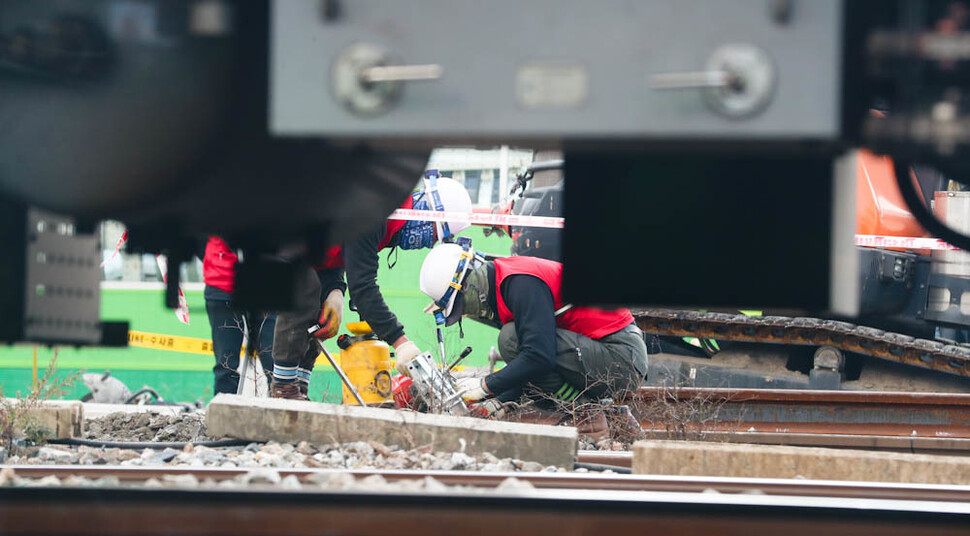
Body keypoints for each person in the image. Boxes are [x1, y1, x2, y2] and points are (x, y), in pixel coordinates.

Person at [415, 239, 648, 438]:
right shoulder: (506, 282)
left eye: (461, 304)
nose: (468, 312)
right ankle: (611, 416)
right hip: (606, 354)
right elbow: (531, 359)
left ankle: (588, 414)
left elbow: (538, 356)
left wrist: (486, 386)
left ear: (468, 286)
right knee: (529, 371)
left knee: (510, 340)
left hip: (621, 358)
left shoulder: (521, 283)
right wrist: (500, 401)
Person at [270, 172, 474, 400]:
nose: (431, 242)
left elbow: (332, 251)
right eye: (436, 233)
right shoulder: (374, 214)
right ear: (426, 214)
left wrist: (334, 290)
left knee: (320, 312)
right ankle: (284, 390)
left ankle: (299, 388)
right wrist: (400, 341)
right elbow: (363, 287)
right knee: (305, 290)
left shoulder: (384, 212)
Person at [203, 236, 276, 395]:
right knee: (226, 364)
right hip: (221, 282)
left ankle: (282, 415)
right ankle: (223, 418)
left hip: (266, 283)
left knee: (276, 363)